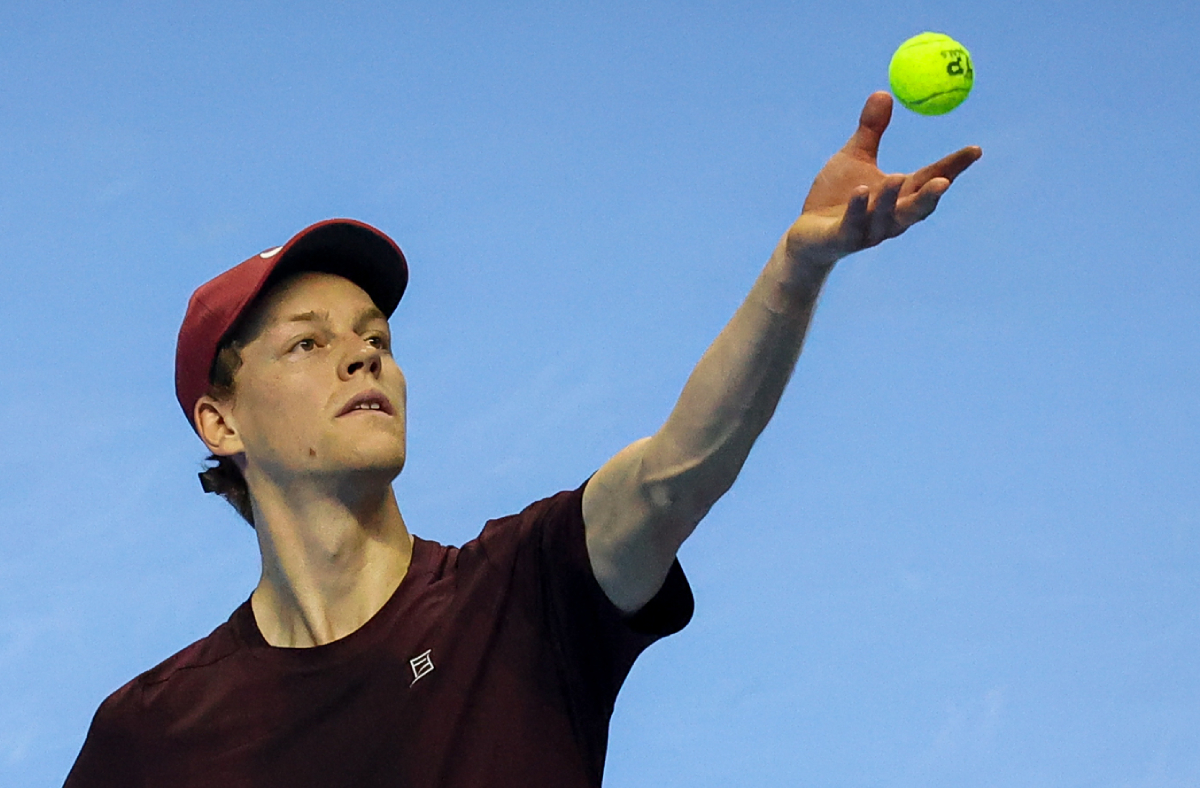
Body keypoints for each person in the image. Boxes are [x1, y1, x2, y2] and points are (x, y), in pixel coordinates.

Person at [64, 92, 980, 787]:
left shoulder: (523, 596)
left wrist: (796, 270)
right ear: (220, 422)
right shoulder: (152, 738)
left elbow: (672, 475)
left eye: (377, 337)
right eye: (309, 343)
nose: (363, 356)